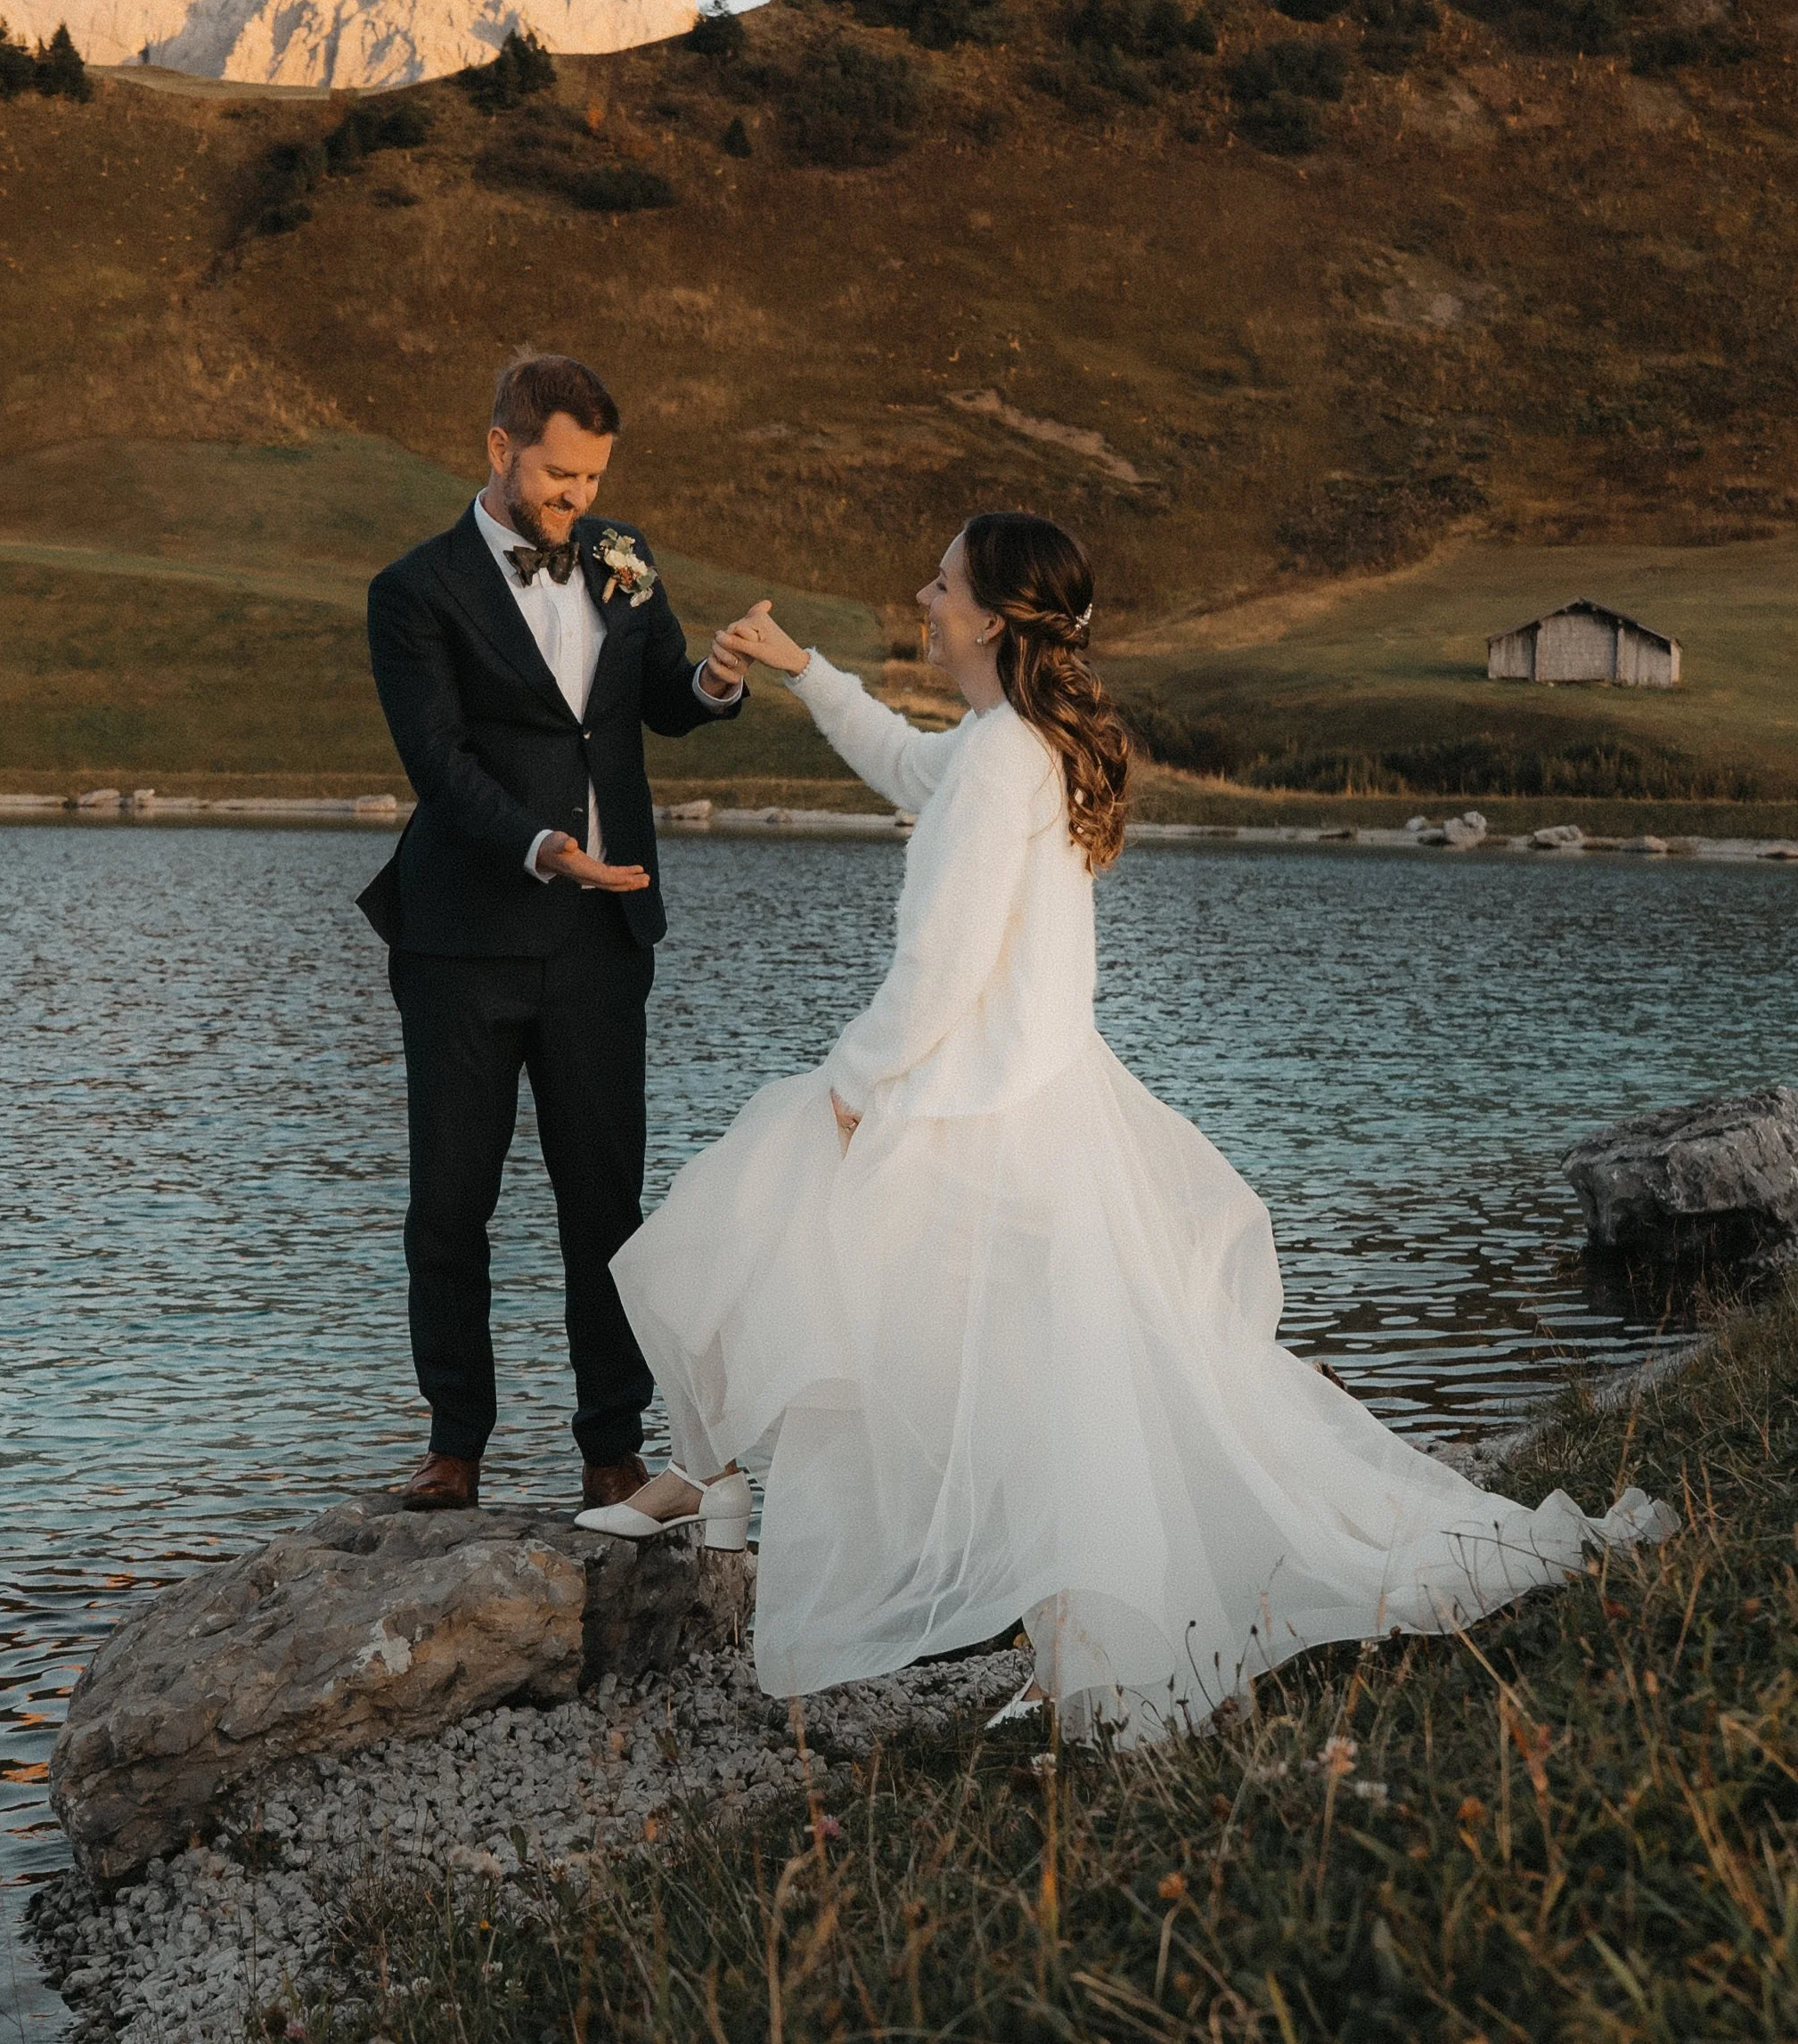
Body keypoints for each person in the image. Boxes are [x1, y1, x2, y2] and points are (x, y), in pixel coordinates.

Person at [583, 511, 1674, 1740]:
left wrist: (849, 1086)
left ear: (993, 619)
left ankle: (737, 1488)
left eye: (941, 584)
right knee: (1015, 1374)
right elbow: (907, 766)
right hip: (1019, 1100)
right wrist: (804, 670)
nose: (925, 599)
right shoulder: (1006, 741)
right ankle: (731, 1484)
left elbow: (944, 962)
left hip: (979, 1112)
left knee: (770, 1228)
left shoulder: (1008, 759)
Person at [359, 350, 758, 1516]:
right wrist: (543, 846)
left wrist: (717, 677)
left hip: (600, 940)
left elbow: (660, 705)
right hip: (463, 941)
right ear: (500, 449)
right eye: (558, 475)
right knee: (451, 1203)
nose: (578, 498)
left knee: (606, 1203)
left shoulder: (624, 555)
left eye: (593, 478)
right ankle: (455, 1445)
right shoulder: (413, 591)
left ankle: (612, 1448)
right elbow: (440, 763)